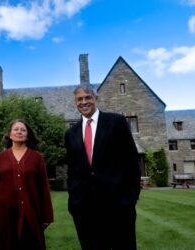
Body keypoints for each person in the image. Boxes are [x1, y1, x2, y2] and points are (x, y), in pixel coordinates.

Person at [65, 84, 141, 250]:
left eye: (88, 98)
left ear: (96, 99)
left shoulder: (116, 122)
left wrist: (131, 197)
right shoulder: (71, 133)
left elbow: (131, 161)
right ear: (75, 102)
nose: (84, 102)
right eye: (79, 99)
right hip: (84, 208)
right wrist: (73, 201)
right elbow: (72, 170)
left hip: (118, 205)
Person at [0, 119, 54, 250]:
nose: (19, 132)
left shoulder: (36, 157)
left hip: (31, 213)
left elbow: (43, 187)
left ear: (27, 135)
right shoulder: (1, 157)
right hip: (4, 214)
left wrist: (47, 216)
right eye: (16, 129)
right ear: (10, 135)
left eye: (23, 130)